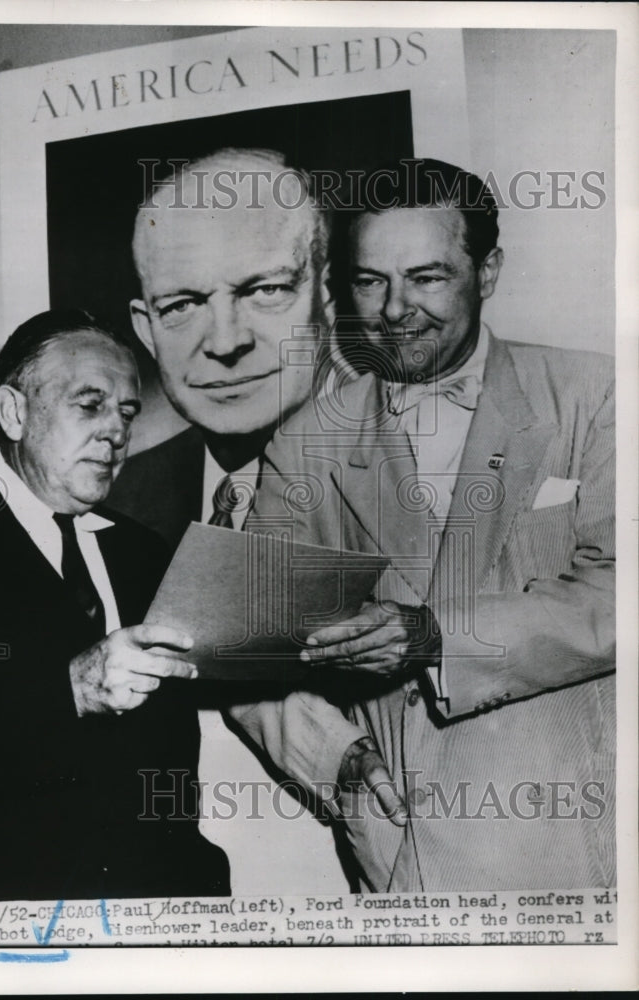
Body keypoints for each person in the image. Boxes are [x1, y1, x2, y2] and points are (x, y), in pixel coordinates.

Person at [231, 158, 615, 891]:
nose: (394, 309)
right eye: (369, 280)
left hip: (583, 848)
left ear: (488, 269)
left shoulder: (593, 395)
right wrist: (336, 760)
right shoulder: (304, 439)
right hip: (410, 862)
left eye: (426, 277)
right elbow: (241, 636)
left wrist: (435, 635)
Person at [0, 308, 229, 904]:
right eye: (89, 405)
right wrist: (70, 690)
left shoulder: (145, 553)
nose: (116, 433)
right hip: (0, 934)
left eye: (126, 413)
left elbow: (169, 760)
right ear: (13, 413)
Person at [106, 149, 352, 893]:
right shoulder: (120, 500)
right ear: (146, 328)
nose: (223, 340)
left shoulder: (437, 464)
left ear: (327, 295)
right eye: (182, 305)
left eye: (265, 291)